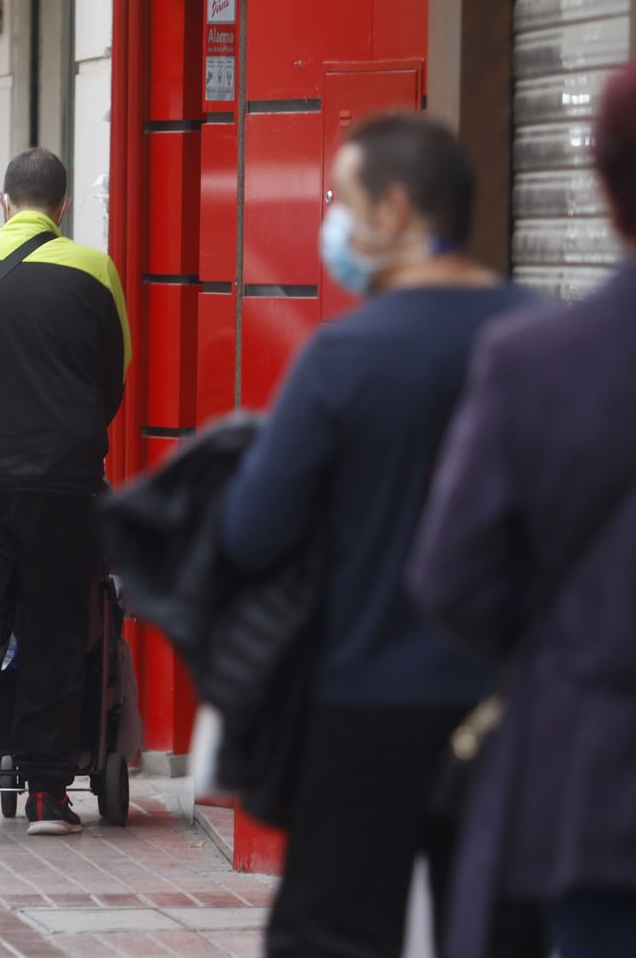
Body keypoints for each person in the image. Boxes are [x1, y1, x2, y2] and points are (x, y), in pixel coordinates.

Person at [218, 114, 534, 957]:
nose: (335, 225)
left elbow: (252, 531)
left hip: (364, 700)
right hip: (513, 708)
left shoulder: (344, 357)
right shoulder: (542, 337)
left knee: (332, 933)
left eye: (344, 201)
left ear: (393, 211)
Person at [408, 66, 636, 958]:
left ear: (606, 189)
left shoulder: (538, 362)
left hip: (596, 791)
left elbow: (451, 575)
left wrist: (557, 649)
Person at [0, 147, 130, 842]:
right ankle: (45, 792)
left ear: (3, 201)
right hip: (62, 481)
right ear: (63, 207)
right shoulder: (94, 269)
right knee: (56, 626)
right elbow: (113, 377)